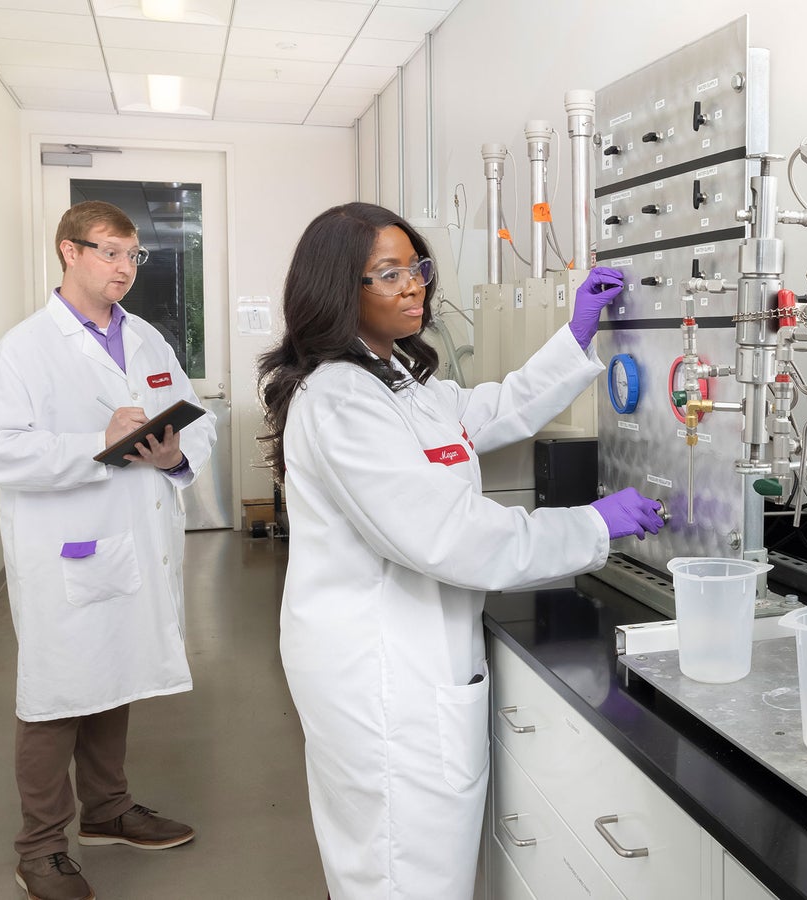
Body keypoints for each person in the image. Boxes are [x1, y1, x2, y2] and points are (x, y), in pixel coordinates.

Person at [257, 202, 664, 898]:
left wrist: (575, 338)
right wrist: (593, 525)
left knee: (422, 860)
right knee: (400, 869)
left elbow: (491, 408)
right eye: (387, 274)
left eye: (415, 267)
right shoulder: (342, 402)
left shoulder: (398, 382)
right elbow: (450, 537)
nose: (413, 285)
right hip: (383, 673)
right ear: (336, 290)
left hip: (416, 657)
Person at [0, 200, 218, 900]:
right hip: (66, 550)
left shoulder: (150, 341)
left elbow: (198, 422)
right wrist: (98, 448)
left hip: (135, 539)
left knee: (119, 668)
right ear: (67, 252)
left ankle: (107, 811)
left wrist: (173, 456)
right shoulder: (22, 350)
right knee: (56, 691)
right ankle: (40, 846)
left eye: (132, 255)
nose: (123, 267)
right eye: (108, 251)